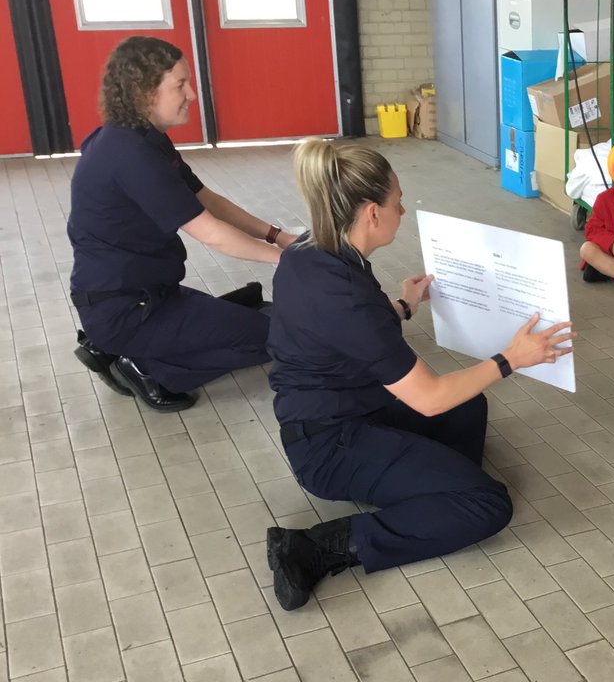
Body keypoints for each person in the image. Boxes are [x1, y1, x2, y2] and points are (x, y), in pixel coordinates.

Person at [265, 139, 572, 611]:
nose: (403, 210)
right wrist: (510, 358)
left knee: (469, 405)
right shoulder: (345, 291)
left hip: (347, 405)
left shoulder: (311, 251)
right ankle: (315, 547)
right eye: (396, 201)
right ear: (371, 212)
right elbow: (427, 398)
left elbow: (347, 332)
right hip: (328, 445)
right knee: (488, 505)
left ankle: (431, 490)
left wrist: (404, 304)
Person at [69, 36, 295, 411]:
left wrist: (279, 237)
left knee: (258, 312)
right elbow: (210, 232)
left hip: (153, 295)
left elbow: (207, 200)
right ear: (144, 91)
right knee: (279, 339)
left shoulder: (144, 139)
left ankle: (133, 345)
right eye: (180, 85)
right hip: (129, 311)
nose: (192, 93)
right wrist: (285, 259)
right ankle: (143, 366)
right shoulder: (129, 154)